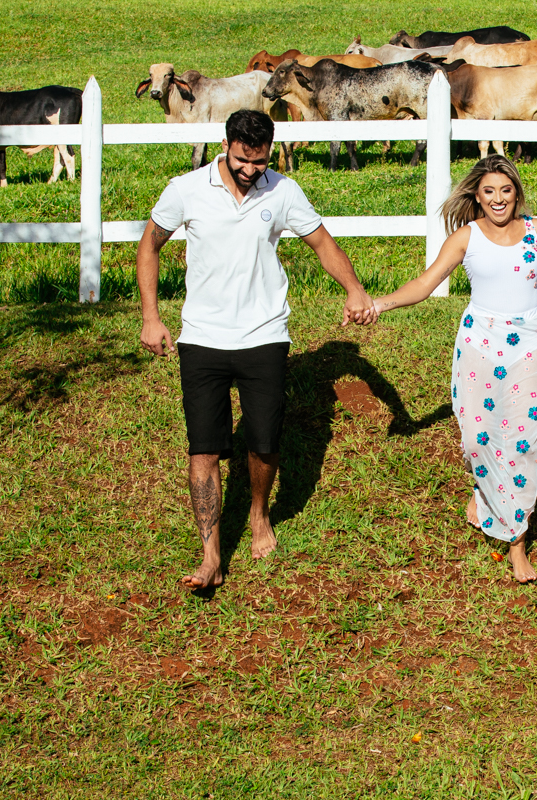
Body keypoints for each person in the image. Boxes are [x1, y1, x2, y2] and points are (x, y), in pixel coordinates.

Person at [136, 109, 377, 590]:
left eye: (260, 161)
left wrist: (354, 289)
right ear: (225, 145)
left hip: (265, 335)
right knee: (204, 448)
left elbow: (322, 243)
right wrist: (150, 316)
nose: (250, 170)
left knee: (264, 443)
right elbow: (149, 247)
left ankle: (258, 511)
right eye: (243, 159)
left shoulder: (282, 191)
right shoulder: (185, 189)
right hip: (201, 336)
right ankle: (211, 555)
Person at [373, 155, 537, 583]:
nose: (498, 199)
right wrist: (379, 304)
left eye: (505, 191)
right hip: (479, 345)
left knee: (524, 442)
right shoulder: (466, 237)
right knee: (477, 439)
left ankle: (517, 542)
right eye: (489, 191)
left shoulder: (535, 230)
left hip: (529, 344)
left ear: (516, 193)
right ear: (477, 195)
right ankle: (483, 489)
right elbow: (425, 283)